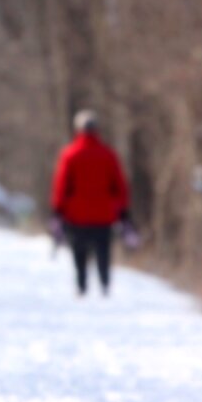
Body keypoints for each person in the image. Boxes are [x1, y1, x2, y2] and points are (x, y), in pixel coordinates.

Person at [50, 110, 131, 297]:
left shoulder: (69, 154)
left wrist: (58, 209)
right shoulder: (108, 154)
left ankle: (81, 285)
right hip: (103, 213)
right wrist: (123, 209)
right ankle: (104, 284)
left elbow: (61, 184)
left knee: (79, 250)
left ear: (78, 129)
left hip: (76, 214)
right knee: (103, 249)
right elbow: (120, 185)